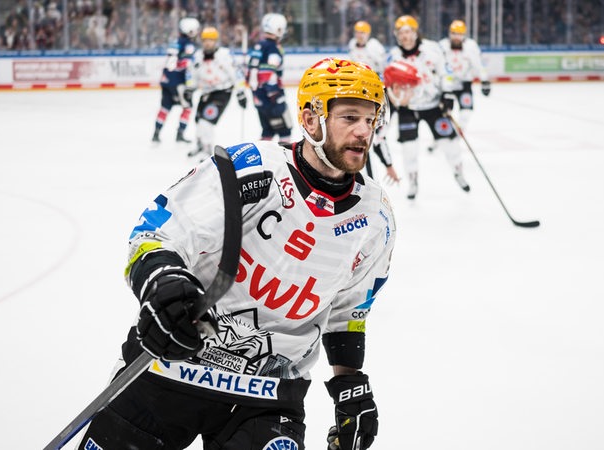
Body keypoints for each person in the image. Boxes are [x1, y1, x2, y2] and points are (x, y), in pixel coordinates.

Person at [77, 57, 394, 450]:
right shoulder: (251, 169)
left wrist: (351, 385)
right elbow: (156, 232)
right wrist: (163, 283)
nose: (365, 131)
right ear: (311, 121)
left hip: (268, 396)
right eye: (350, 118)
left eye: (371, 119)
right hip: (172, 365)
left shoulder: (374, 218)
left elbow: (349, 312)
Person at [387, 15, 469, 199]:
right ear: (397, 35)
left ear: (415, 33)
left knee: (450, 144)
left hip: (434, 106)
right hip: (409, 108)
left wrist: (447, 94)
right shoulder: (393, 56)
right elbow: (390, 85)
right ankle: (413, 181)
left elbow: (446, 72)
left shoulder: (432, 49)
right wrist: (395, 102)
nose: (405, 36)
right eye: (401, 32)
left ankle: (458, 172)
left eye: (408, 31)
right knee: (409, 149)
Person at [348, 20, 400, 185]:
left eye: (362, 32)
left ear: (368, 34)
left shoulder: (375, 47)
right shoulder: (352, 45)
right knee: (363, 134)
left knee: (377, 136)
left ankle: (381, 171)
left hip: (377, 94)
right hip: (361, 94)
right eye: (357, 32)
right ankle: (368, 177)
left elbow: (386, 69)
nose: (359, 35)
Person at [186, 26, 248, 157]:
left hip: (222, 92)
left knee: (206, 121)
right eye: (205, 40)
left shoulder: (224, 55)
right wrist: (190, 89)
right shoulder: (197, 56)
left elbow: (236, 73)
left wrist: (240, 92)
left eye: (211, 40)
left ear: (216, 41)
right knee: (198, 120)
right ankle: (200, 144)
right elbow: (192, 75)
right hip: (206, 93)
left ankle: (207, 151)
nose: (207, 43)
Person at [152, 17, 199, 144]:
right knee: (187, 107)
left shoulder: (175, 41)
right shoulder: (188, 44)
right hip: (178, 82)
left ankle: (156, 134)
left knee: (165, 107)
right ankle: (180, 134)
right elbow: (188, 64)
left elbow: (171, 62)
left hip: (166, 80)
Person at [247, 12, 293, 143]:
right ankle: (284, 162)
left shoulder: (258, 46)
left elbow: (250, 73)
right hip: (271, 99)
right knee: (285, 130)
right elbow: (268, 73)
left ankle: (262, 159)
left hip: (258, 98)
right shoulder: (273, 48)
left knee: (267, 131)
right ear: (278, 29)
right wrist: (274, 95)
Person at [439, 19, 491, 132]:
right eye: (454, 33)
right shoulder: (442, 46)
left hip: (464, 84)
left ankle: (458, 135)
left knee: (466, 113)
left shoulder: (471, 46)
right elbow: (439, 67)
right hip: (448, 86)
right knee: (444, 115)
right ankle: (440, 140)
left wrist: (485, 81)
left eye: (460, 34)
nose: (457, 37)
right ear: (449, 33)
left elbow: (478, 64)